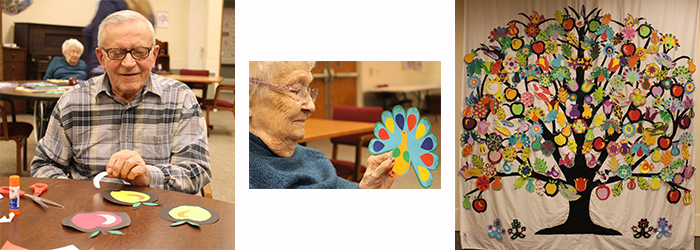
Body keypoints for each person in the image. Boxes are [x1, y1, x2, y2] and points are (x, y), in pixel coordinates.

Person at [31, 10, 210, 195]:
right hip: (88, 216)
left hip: (160, 216)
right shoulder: (72, 102)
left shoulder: (181, 99)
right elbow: (44, 165)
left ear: (154, 55)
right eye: (117, 53)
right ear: (101, 58)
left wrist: (149, 176)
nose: (129, 63)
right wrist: (75, 198)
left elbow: (196, 171)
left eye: (140, 52)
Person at [249, 61, 395, 189]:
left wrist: (365, 190)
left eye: (307, 90)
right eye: (296, 89)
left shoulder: (315, 158)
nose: (311, 106)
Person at [84, 0, 154, 78]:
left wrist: (96, 74)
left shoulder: (110, 2)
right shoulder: (144, 7)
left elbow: (97, 39)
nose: (129, 63)